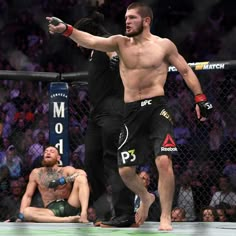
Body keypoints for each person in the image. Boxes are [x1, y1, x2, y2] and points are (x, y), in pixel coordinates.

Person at [46, 2, 213, 230]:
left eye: (132, 17)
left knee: (163, 161)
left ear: (146, 21)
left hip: (157, 109)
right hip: (131, 110)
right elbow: (91, 40)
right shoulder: (120, 43)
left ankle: (165, 216)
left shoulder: (164, 46)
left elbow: (185, 70)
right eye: (126, 17)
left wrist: (200, 98)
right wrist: (66, 29)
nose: (127, 21)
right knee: (125, 170)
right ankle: (145, 197)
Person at [72, 12, 136, 227]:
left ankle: (125, 214)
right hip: (96, 113)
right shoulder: (93, 53)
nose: (77, 44)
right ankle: (103, 212)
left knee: (113, 161)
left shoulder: (105, 44)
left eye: (78, 38)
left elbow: (112, 50)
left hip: (113, 111)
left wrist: (115, 59)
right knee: (91, 161)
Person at [16, 146, 90, 223]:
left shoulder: (66, 170)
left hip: (70, 204)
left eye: (52, 151)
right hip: (50, 211)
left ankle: (83, 214)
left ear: (58, 158)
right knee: (27, 212)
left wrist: (63, 180)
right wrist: (21, 217)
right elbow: (28, 195)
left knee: (81, 179)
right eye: (46, 151)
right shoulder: (36, 173)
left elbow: (82, 173)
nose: (48, 152)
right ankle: (66, 220)